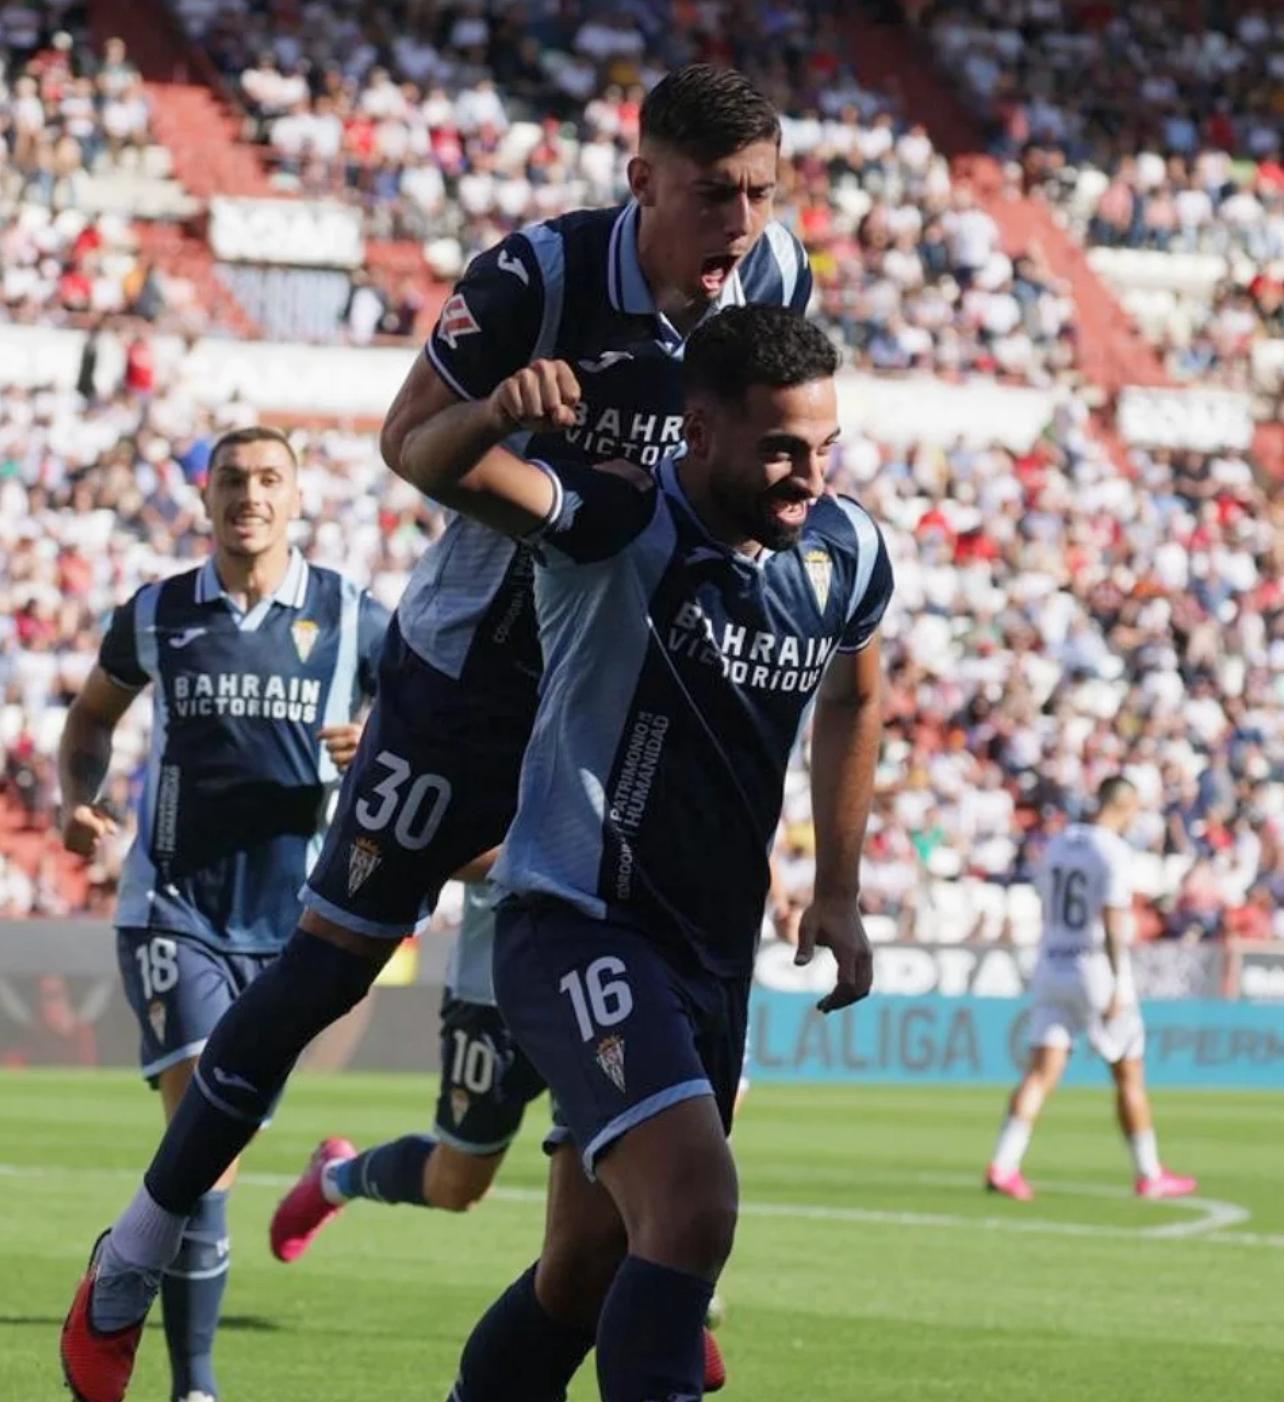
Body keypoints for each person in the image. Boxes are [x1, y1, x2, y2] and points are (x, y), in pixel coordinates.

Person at [59, 64, 807, 1402]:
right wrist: (519, 436)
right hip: (472, 682)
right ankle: (136, 1243)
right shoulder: (539, 277)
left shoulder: (775, 279)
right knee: (329, 968)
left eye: (760, 191)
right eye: (715, 193)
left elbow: (757, 454)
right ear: (643, 181)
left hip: (625, 693)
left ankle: (655, 1268)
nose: (741, 221)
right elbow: (411, 440)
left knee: (652, 973)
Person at [398, 304, 893, 1401]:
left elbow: (856, 695)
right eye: (782, 449)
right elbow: (431, 462)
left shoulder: (846, 551)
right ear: (699, 430)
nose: (810, 477)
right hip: (577, 925)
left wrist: (840, 887)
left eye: (826, 448)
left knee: (584, 1270)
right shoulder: (614, 517)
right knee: (695, 1208)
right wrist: (494, 410)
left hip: (711, 955)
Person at [57, 425, 388, 1402]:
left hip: (293, 931)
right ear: (205, 499)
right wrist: (79, 796)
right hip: (172, 908)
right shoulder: (159, 612)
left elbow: (429, 726)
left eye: (269, 479)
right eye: (233, 479)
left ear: (298, 498)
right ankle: (194, 1385)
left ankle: (139, 1287)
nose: (250, 495)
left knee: (220, 1147)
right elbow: (90, 720)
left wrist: (375, 739)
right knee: (208, 1129)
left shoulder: (352, 616)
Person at [986, 777, 1198, 1202]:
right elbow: (1114, 920)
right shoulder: (1112, 850)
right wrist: (1119, 983)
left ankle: (1004, 1165)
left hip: (1053, 963)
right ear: (1127, 805)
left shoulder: (1059, 843)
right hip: (1094, 968)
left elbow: (1047, 904)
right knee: (1128, 1072)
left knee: (1041, 1071)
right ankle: (1149, 1173)